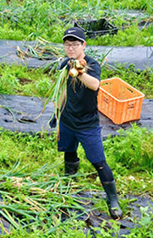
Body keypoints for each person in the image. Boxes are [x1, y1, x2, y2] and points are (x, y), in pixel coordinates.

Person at [50, 26, 123, 220]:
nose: (70, 48)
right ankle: (68, 182)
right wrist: (57, 111)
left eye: (75, 44)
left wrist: (79, 72)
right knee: (69, 151)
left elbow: (95, 85)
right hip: (67, 119)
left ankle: (112, 199)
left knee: (99, 161)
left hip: (87, 124)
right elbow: (64, 89)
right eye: (67, 44)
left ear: (83, 45)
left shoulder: (92, 64)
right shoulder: (65, 64)